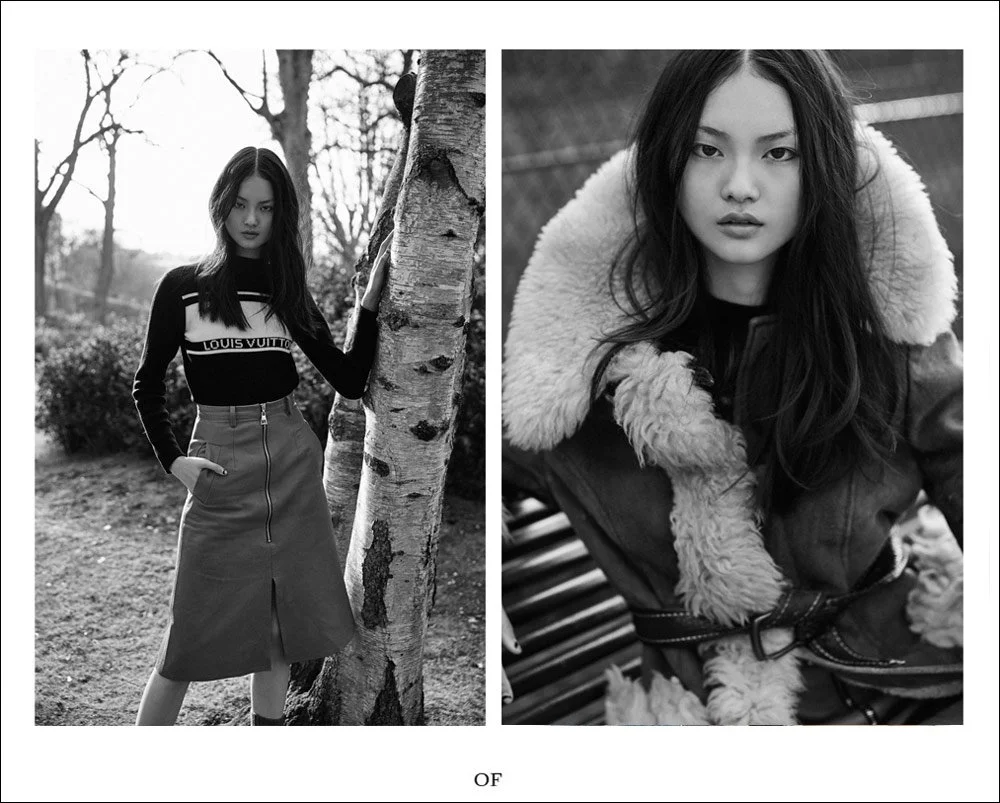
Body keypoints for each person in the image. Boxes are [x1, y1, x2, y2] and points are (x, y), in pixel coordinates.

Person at [502, 50, 962, 725]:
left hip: (892, 685)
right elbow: (472, 467)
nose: (740, 185)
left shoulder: (884, 334)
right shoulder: (583, 356)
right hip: (691, 709)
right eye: (706, 151)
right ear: (665, 160)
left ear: (825, 165)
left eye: (780, 154)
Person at [133, 146, 392, 725]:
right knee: (185, 641)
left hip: (291, 459)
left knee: (281, 627)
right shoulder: (181, 286)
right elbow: (145, 384)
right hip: (218, 466)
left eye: (267, 208)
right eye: (242, 205)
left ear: (281, 216)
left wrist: (368, 308)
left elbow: (349, 380)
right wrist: (175, 462)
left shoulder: (284, 288)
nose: (252, 220)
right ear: (222, 205)